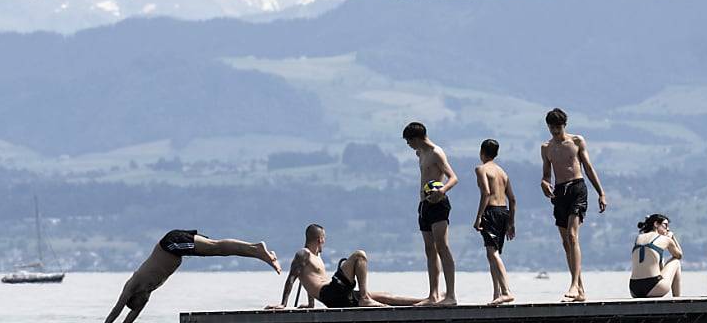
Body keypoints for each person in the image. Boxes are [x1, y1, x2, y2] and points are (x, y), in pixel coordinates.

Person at [105, 230, 281, 323]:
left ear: (136, 295)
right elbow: (129, 318)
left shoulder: (133, 284)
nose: (145, 301)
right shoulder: (145, 293)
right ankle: (258, 252)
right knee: (217, 250)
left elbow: (116, 311)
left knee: (215, 247)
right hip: (177, 249)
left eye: (141, 301)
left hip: (171, 244)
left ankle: (257, 249)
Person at [266, 224, 421, 309]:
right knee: (359, 255)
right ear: (320, 239)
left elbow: (309, 280)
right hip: (331, 293)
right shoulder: (303, 254)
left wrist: (310, 304)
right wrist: (283, 304)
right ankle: (365, 298)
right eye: (324, 238)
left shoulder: (316, 257)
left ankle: (423, 301)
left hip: (337, 295)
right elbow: (292, 278)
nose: (325, 242)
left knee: (384, 296)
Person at [540, 108, 607, 302]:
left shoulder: (576, 141)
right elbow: (546, 174)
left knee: (572, 235)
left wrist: (601, 193)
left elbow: (588, 167)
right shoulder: (546, 148)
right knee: (565, 243)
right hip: (560, 192)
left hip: (577, 187)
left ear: (564, 125)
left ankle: (574, 284)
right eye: (552, 128)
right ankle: (581, 291)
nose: (555, 131)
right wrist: (544, 183)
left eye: (558, 127)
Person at [403, 121, 459, 306]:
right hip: (424, 205)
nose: (408, 145)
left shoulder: (436, 152)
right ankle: (433, 295)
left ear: (417, 138)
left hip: (438, 204)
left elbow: (453, 177)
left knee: (442, 246)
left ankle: (450, 295)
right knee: (429, 250)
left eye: (409, 141)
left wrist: (442, 191)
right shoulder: (420, 153)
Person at [473, 139, 516, 305]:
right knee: (493, 254)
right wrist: (511, 223)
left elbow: (486, 193)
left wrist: (478, 217)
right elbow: (512, 199)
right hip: (503, 211)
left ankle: (506, 291)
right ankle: (496, 293)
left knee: (492, 253)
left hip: (490, 212)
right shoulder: (503, 172)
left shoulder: (481, 169)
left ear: (481, 152)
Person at [628, 214, 683, 298]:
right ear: (656, 224)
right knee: (676, 262)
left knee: (656, 257)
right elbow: (679, 255)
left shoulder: (638, 238)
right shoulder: (666, 239)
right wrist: (672, 237)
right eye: (665, 225)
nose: (667, 229)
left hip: (634, 289)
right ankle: (677, 299)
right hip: (654, 286)